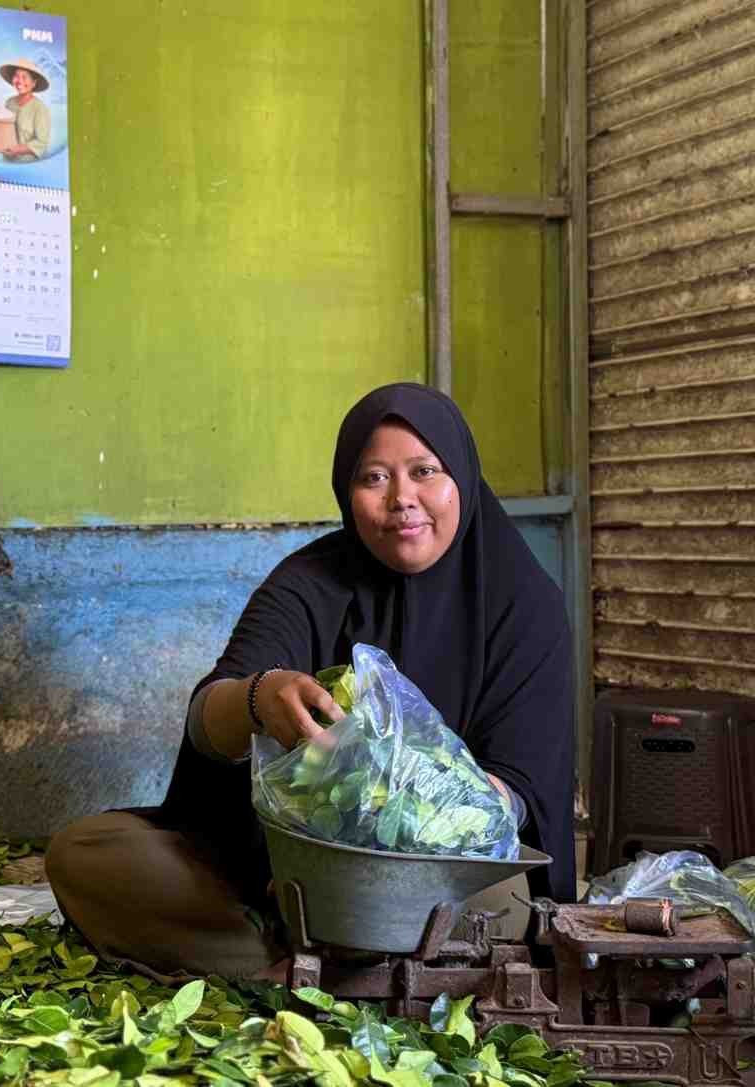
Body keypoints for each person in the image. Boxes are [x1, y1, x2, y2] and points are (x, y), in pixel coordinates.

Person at [46, 383, 576, 981]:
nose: (403, 499)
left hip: (443, 880)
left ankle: (285, 962)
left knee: (503, 908)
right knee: (87, 853)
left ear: (464, 480)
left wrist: (375, 834)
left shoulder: (524, 604)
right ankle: (341, 971)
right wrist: (259, 697)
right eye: (374, 478)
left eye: (425, 471)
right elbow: (206, 720)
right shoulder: (310, 582)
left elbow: (519, 794)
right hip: (280, 866)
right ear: (347, 493)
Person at [0, 59, 52, 161]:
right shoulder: (9, 103)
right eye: (16, 76)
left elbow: (42, 142)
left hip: (27, 164)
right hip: (7, 160)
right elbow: (4, 129)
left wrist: (17, 150)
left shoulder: (40, 108)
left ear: (34, 83)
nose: (19, 81)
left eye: (24, 77)